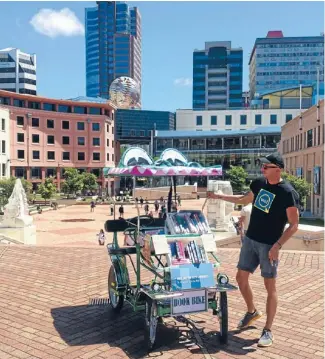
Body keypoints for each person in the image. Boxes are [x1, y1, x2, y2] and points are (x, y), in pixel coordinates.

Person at [208, 153, 299, 347]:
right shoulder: (259, 183)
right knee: (241, 278)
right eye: (262, 167)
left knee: (270, 287)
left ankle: (268, 330)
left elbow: (293, 225)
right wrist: (219, 196)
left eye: (266, 167)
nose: (262, 169)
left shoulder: (287, 192)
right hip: (250, 240)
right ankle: (252, 312)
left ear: (278, 169)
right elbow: (243, 199)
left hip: (269, 245)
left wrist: (277, 246)